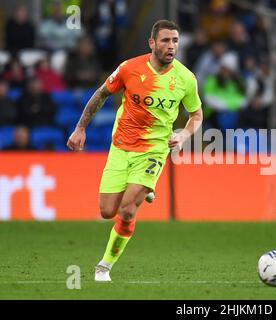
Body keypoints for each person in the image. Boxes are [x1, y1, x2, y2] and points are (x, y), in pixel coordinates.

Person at [66, 20, 203, 282]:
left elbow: (196, 114)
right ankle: (144, 188)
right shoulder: (129, 68)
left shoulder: (186, 79)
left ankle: (104, 266)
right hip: (120, 147)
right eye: (165, 40)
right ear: (152, 43)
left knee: (127, 211)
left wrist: (184, 134)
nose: (171, 46)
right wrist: (80, 128)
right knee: (107, 211)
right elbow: (101, 94)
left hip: (153, 149)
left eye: (175, 40)